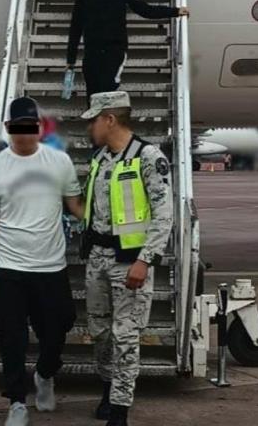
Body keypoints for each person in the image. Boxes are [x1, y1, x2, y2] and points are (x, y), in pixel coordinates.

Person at [0, 97, 84, 426]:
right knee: (12, 338)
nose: (23, 135)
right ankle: (17, 402)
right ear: (8, 130)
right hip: (9, 268)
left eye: (29, 128)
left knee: (59, 326)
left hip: (51, 267)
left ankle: (46, 373)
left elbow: (74, 205)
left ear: (38, 128)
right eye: (17, 129)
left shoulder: (59, 162)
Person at [80, 91, 173, 426]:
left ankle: (119, 409)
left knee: (126, 336)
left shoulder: (148, 157)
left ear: (109, 119)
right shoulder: (100, 158)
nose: (90, 126)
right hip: (98, 260)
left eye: (94, 119)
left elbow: (164, 215)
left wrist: (145, 261)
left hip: (130, 263)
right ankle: (107, 387)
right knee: (100, 332)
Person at [67, 0, 189, 105]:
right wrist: (71, 59)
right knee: (92, 94)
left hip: (115, 49)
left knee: (107, 90)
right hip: (92, 50)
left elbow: (145, 10)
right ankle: (96, 127)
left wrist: (175, 11)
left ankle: (108, 124)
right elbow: (76, 26)